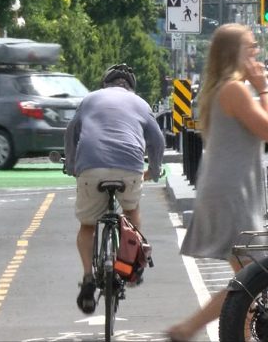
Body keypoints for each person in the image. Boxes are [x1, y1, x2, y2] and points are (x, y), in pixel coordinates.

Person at [167, 24, 268, 341]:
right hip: (232, 194)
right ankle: (188, 328)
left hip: (224, 189)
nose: (256, 54)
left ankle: (203, 330)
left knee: (251, 280)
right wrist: (263, 88)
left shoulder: (217, 90)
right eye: (250, 48)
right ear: (233, 53)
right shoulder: (235, 90)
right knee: (254, 279)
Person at [64, 63, 164, 314]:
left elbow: (71, 132)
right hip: (129, 168)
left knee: (87, 226)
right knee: (131, 212)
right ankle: (131, 264)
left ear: (105, 84)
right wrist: (154, 168)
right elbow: (157, 140)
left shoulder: (89, 99)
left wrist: (72, 165)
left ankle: (88, 277)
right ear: (131, 86)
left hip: (91, 167)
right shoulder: (140, 103)